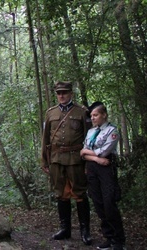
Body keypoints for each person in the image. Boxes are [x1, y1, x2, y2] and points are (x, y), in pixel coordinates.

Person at [41, 81, 92, 245]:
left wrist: (88, 162)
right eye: (59, 93)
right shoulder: (50, 113)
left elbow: (88, 138)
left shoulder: (82, 112)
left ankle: (85, 231)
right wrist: (44, 159)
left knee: (79, 193)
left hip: (76, 159)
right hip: (56, 159)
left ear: (71, 93)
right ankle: (65, 229)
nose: (61, 96)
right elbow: (45, 139)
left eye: (64, 92)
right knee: (60, 193)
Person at [80, 102, 126, 250]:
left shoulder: (112, 131)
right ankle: (109, 237)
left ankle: (118, 240)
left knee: (109, 203)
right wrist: (96, 158)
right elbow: (82, 153)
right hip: (93, 168)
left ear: (104, 115)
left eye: (96, 115)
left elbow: (104, 152)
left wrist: (92, 155)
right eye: (92, 115)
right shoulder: (91, 132)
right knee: (98, 203)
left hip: (106, 169)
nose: (93, 118)